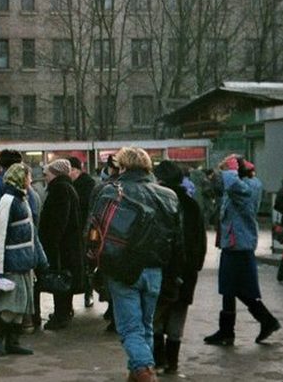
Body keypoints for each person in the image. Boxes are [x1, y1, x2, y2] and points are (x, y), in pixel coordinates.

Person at [90, 148, 182, 382]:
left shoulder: (110, 191)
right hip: (154, 269)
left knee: (130, 329)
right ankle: (136, 373)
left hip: (121, 268)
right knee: (145, 326)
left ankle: (144, 371)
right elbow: (176, 237)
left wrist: (92, 261)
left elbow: (93, 230)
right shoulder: (168, 195)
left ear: (122, 167)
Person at [203, 155, 281, 347]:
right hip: (232, 244)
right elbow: (223, 190)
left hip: (240, 245)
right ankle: (228, 331)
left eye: (228, 172)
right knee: (229, 289)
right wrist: (216, 178)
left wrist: (228, 171)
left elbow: (235, 188)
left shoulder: (250, 186)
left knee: (240, 288)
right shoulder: (239, 185)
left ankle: (265, 321)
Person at [151, 160, 206, 376]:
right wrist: (194, 266)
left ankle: (158, 359)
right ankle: (172, 363)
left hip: (164, 269)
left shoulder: (159, 202)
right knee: (177, 316)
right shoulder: (191, 204)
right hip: (187, 270)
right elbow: (200, 241)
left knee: (156, 316)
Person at [0, 163, 44, 356]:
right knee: (14, 303)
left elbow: (31, 233)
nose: (30, 180)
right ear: (20, 178)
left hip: (24, 260)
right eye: (28, 176)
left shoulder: (21, 199)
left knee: (24, 303)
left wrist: (39, 257)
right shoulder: (9, 200)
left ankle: (12, 341)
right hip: (13, 260)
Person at [39, 158, 87, 331]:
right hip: (69, 245)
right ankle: (64, 312)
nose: (45, 177)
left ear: (55, 174)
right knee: (65, 279)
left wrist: (51, 242)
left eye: (47, 174)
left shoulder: (59, 190)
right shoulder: (68, 187)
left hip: (62, 247)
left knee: (60, 279)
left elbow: (58, 221)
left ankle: (61, 315)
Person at [68, 156, 98, 309]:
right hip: (77, 231)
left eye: (71, 170)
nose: (69, 174)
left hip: (86, 231)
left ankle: (88, 292)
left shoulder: (87, 185)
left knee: (87, 264)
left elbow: (89, 210)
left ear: (77, 170)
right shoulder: (73, 185)